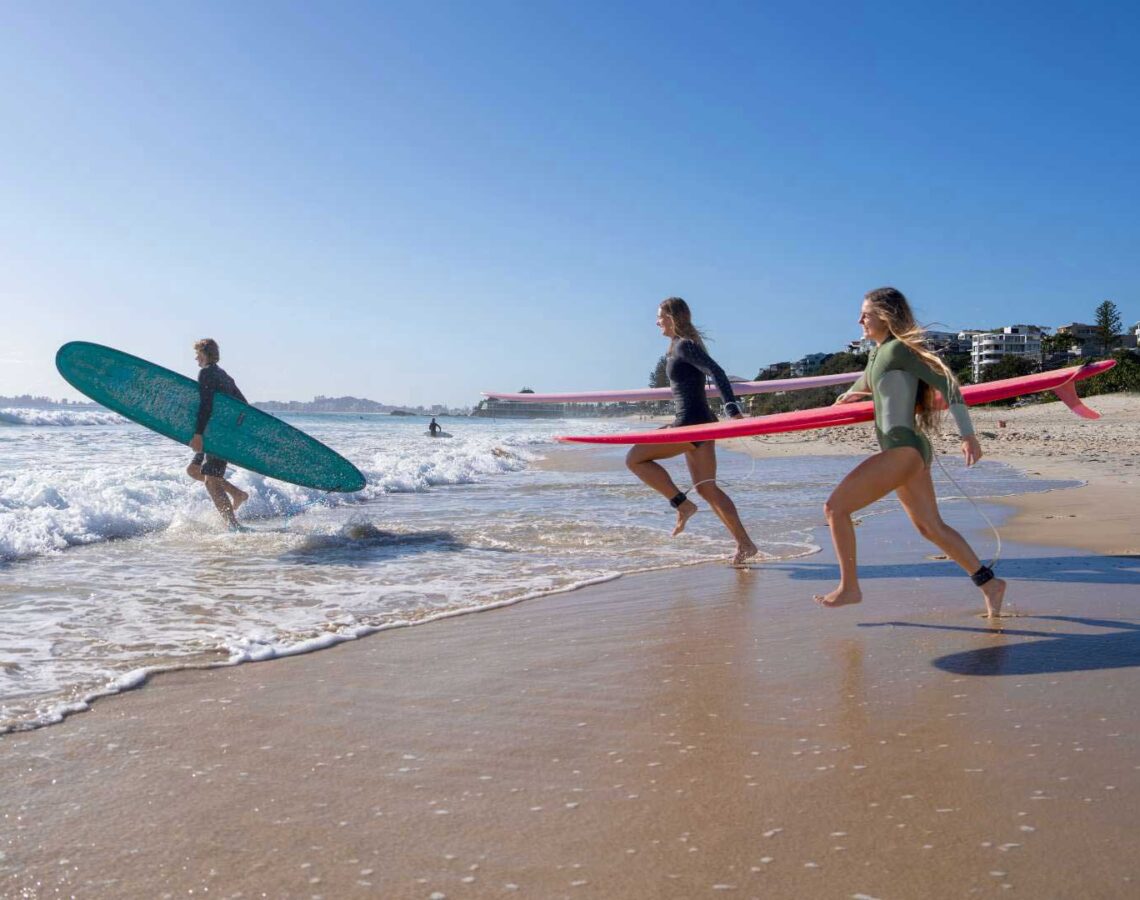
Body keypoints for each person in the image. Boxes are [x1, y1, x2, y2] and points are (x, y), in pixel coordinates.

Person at [816, 287, 1007, 617]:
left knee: (835, 508)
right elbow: (865, 383)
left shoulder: (899, 350)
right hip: (907, 451)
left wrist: (968, 435)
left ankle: (849, 588)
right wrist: (848, 396)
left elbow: (949, 384)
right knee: (930, 527)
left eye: (866, 313)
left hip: (904, 450)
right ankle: (989, 582)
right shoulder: (878, 353)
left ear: (886, 316)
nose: (859, 319)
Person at [626, 297, 759, 566]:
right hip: (697, 424)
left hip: (691, 426)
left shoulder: (685, 346)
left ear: (673, 317)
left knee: (634, 459)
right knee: (708, 489)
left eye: (660, 316)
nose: (657, 322)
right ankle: (745, 545)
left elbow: (717, 371)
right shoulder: (677, 347)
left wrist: (732, 409)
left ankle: (681, 504)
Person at [187, 338, 249, 528]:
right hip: (215, 431)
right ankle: (238, 494)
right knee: (194, 470)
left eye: (198, 353)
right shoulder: (223, 375)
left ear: (205, 354)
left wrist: (198, 434)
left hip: (218, 433)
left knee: (211, 481)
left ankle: (233, 527)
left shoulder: (206, 373)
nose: (196, 358)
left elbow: (206, 405)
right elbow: (243, 404)